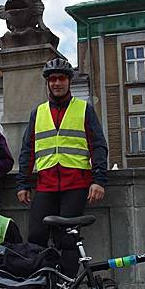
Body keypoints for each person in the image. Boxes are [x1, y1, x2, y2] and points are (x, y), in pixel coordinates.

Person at [16, 58, 108, 277]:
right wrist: (23, 183)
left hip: (76, 185)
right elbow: (28, 150)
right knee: (36, 236)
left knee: (68, 240)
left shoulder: (84, 109)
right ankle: (41, 285)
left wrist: (99, 181)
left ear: (69, 82)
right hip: (46, 185)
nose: (57, 83)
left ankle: (67, 288)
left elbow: (98, 146)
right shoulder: (38, 112)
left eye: (62, 79)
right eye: (53, 79)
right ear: (47, 83)